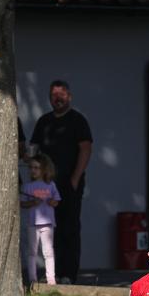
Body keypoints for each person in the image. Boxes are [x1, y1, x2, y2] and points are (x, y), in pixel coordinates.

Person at [30, 80, 92, 284]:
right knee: (48, 229)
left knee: (69, 228)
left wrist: (75, 179)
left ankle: (68, 274)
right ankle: (52, 274)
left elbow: (85, 149)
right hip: (46, 186)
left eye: (61, 95)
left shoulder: (77, 120)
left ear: (69, 97)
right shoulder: (44, 121)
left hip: (68, 184)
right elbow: (34, 150)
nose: (57, 98)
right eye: (53, 95)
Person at [20, 154, 61, 285]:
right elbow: (22, 203)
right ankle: (33, 279)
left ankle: (51, 279)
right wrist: (32, 202)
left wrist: (51, 202)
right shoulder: (27, 187)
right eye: (31, 168)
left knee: (48, 251)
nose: (33, 170)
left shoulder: (50, 185)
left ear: (44, 169)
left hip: (48, 223)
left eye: (37, 168)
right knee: (32, 251)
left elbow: (57, 201)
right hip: (32, 223)